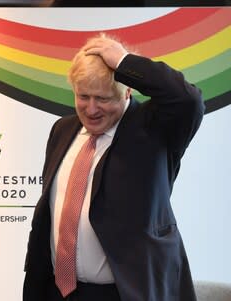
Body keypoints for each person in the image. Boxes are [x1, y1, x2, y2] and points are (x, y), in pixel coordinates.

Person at [23, 34, 204, 301]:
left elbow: (188, 101)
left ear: (127, 91)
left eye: (103, 98)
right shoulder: (63, 130)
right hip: (57, 291)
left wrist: (124, 62)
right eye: (83, 96)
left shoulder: (153, 130)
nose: (91, 109)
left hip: (126, 292)